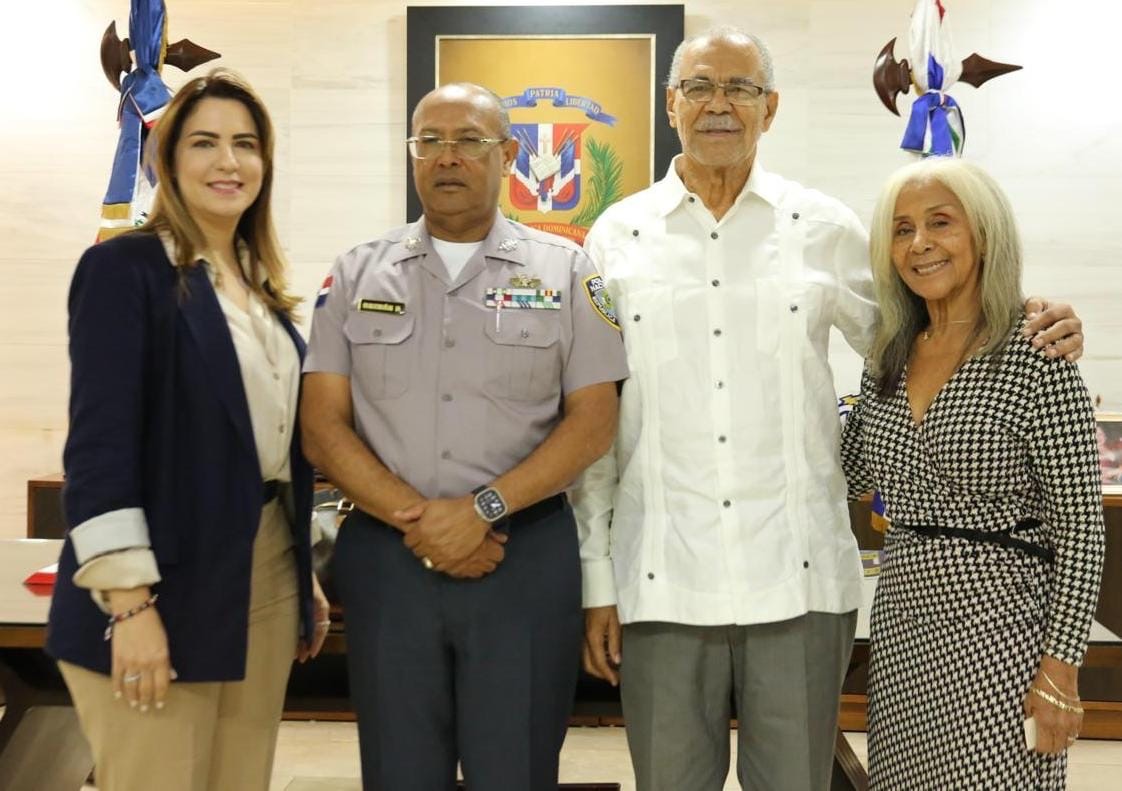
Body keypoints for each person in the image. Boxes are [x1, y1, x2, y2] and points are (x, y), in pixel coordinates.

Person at [572, 26, 1087, 791]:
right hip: (662, 576)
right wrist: (596, 577)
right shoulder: (614, 238)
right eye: (701, 88)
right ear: (671, 102)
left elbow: (930, 329)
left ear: (770, 108)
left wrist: (1035, 316)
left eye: (741, 88)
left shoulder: (826, 229)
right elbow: (597, 423)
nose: (720, 105)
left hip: (801, 580)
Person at [300, 82, 628, 790]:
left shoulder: (567, 271)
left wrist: (478, 512)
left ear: (509, 154)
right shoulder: (355, 272)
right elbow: (322, 427)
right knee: (398, 771)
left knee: (515, 768)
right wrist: (423, 522)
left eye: (469, 141)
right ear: (414, 153)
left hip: (523, 560)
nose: (448, 157)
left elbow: (594, 422)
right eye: (431, 141)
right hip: (391, 562)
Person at [46, 69, 330, 791]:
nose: (227, 162)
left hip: (260, 574)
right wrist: (131, 604)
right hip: (155, 584)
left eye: (245, 144)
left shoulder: (259, 289)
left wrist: (299, 568)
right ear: (166, 160)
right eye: (204, 143)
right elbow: (99, 450)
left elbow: (269, 442)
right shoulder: (125, 270)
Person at [840, 157, 1105, 788]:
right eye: (902, 230)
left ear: (984, 233)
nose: (920, 244)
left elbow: (1081, 530)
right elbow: (847, 469)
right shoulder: (888, 355)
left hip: (1004, 631)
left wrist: (1061, 668)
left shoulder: (1038, 352)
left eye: (940, 223)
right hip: (904, 625)